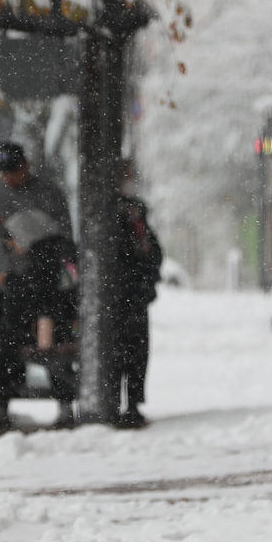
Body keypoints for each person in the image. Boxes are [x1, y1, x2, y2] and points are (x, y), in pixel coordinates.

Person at [0, 142, 72, 431]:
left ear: (25, 166)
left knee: (49, 344)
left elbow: (63, 234)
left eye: (13, 171)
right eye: (4, 173)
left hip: (40, 288)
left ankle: (64, 400)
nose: (8, 179)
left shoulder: (48, 192)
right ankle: (1, 401)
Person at [0, 210, 78, 428]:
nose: (15, 249)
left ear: (26, 234)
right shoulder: (60, 253)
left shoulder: (44, 256)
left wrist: (10, 282)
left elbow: (36, 296)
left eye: (13, 242)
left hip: (45, 330)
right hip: (52, 328)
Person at [112, 164, 163, 429]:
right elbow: (150, 254)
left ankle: (129, 402)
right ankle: (129, 403)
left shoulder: (133, 213)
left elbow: (152, 253)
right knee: (131, 351)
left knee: (131, 351)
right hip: (127, 295)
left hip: (130, 294)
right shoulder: (125, 214)